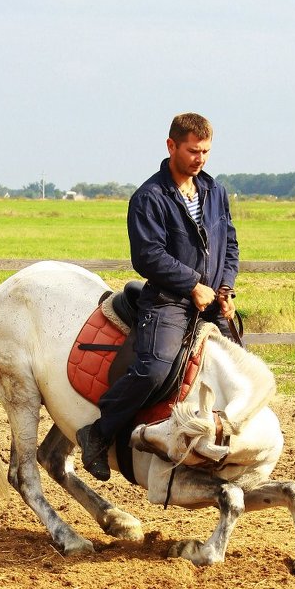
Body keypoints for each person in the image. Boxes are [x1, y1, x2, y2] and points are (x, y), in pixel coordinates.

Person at [77, 112, 240, 481]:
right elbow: (147, 255)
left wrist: (225, 289)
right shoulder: (149, 197)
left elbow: (229, 243)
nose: (200, 159)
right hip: (168, 302)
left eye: (206, 151)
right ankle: (98, 433)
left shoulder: (216, 192)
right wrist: (192, 285)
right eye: (193, 151)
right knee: (153, 370)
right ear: (171, 146)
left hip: (211, 301)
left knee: (240, 369)